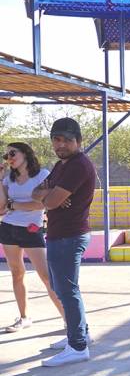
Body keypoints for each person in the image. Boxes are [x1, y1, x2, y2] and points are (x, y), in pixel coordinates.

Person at [35, 118, 97, 367]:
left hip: (69, 236)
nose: (60, 145)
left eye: (66, 140)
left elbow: (49, 201)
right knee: (61, 289)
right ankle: (80, 333)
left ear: (78, 141)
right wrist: (50, 194)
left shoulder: (78, 165)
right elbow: (36, 193)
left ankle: (78, 346)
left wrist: (50, 196)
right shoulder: (62, 165)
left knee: (67, 291)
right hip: (59, 235)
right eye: (56, 140)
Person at [0, 142, 64, 332]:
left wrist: (14, 205)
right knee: (16, 273)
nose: (9, 158)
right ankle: (24, 317)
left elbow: (41, 204)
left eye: (12, 153)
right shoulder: (9, 179)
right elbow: (2, 206)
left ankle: (69, 319)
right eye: (6, 156)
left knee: (46, 276)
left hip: (31, 230)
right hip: (8, 228)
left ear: (26, 153)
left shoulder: (42, 175)